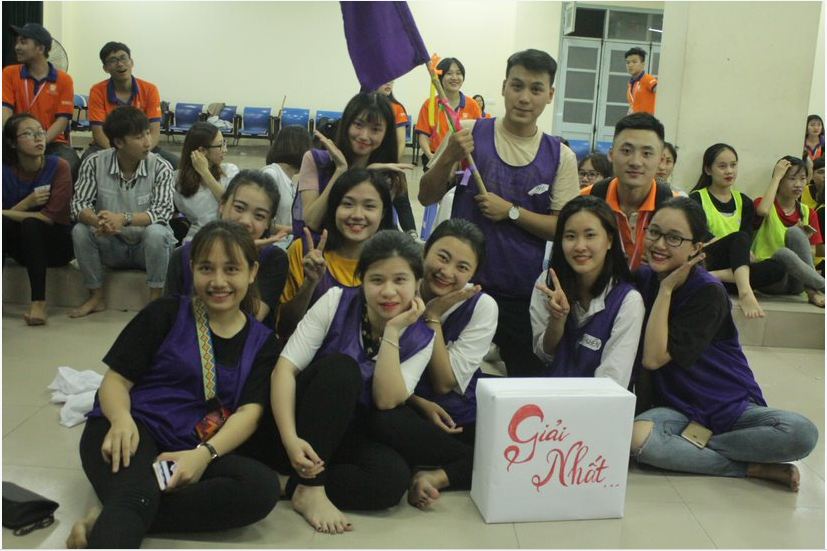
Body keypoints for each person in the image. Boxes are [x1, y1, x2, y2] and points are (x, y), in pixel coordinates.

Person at [66, 220, 281, 549]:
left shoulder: (263, 342)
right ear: (192, 269)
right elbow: (115, 380)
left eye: (231, 269)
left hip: (189, 447)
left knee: (260, 488)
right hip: (132, 431)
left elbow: (249, 413)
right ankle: (128, 506)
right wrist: (121, 420)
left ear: (252, 272)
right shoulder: (166, 312)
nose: (218, 281)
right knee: (137, 493)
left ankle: (113, 514)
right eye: (207, 268)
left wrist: (203, 456)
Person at [244, 230, 435, 533]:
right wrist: (290, 439)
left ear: (417, 283)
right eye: (376, 280)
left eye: (400, 280)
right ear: (361, 280)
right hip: (295, 426)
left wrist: (393, 332)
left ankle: (289, 484)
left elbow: (386, 399)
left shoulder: (423, 337)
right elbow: (284, 370)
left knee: (392, 480)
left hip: (343, 434)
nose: (388, 291)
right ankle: (310, 487)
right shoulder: (336, 301)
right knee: (342, 370)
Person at [630, 197, 818, 491]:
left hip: (730, 407)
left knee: (802, 433)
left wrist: (666, 290)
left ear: (696, 248)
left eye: (674, 238)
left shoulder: (708, 291)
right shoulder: (643, 279)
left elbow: (654, 359)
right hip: (678, 410)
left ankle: (695, 447)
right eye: (654, 232)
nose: (659, 244)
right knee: (638, 439)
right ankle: (749, 467)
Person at [419, 48, 579, 378]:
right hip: (458, 287)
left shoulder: (561, 156)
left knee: (525, 387)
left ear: (549, 95)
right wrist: (448, 156)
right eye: (517, 86)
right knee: (442, 378)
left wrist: (511, 213)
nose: (524, 97)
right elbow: (425, 195)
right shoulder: (467, 133)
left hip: (520, 294)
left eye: (536, 89)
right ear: (504, 87)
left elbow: (563, 228)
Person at [371, 219, 497, 510]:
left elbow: (444, 382)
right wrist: (417, 402)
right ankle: (448, 467)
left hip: (456, 415)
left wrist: (433, 317)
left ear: (474, 274)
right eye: (442, 257)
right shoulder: (399, 289)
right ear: (425, 251)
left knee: (506, 449)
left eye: (462, 267)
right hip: (403, 407)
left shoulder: (482, 306)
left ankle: (437, 475)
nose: (447, 272)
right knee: (382, 420)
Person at [70, 106, 176, 318]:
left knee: (157, 232)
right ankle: (96, 296)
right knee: (80, 230)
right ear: (118, 142)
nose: (147, 142)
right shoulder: (94, 163)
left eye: (147, 133)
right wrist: (98, 222)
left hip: (146, 249)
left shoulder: (161, 167)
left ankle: (155, 300)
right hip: (112, 244)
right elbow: (78, 204)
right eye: (139, 137)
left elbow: (162, 212)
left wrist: (123, 219)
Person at [530, 196, 644, 387]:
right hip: (551, 395)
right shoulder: (547, 283)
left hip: (601, 401)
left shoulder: (628, 301)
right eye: (570, 236)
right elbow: (545, 355)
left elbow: (612, 382)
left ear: (609, 240)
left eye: (590, 235)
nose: (580, 246)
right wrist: (557, 320)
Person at [278, 168, 392, 339]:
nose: (357, 215)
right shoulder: (304, 251)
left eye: (369, 206)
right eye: (348, 204)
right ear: (333, 208)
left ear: (383, 213)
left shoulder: (392, 262)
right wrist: (310, 284)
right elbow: (284, 329)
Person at [165, 170, 289, 326]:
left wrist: (242, 251)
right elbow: (168, 316)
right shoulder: (184, 255)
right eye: (239, 208)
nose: (245, 221)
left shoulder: (274, 259)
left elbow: (251, 318)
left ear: (268, 223)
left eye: (259, 216)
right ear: (222, 205)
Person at [294, 92, 412, 237]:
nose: (364, 136)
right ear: (347, 123)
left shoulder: (386, 174)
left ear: (386, 134)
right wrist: (340, 170)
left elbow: (373, 230)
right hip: (317, 248)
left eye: (375, 129)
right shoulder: (315, 160)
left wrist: (368, 175)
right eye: (358, 125)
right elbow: (312, 221)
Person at [689, 143, 785, 318]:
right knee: (739, 238)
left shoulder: (744, 201)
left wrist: (744, 252)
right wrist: (735, 245)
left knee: (778, 267)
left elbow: (747, 236)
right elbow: (698, 235)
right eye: (722, 166)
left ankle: (712, 277)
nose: (729, 171)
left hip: (735, 268)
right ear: (708, 170)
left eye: (733, 165)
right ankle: (745, 292)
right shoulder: (696, 198)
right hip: (707, 257)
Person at [581, 112, 677, 270]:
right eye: (626, 151)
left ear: (660, 160)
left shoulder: (675, 207)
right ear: (611, 154)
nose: (635, 162)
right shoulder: (585, 200)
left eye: (646, 154)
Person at [2, 113, 74, 325]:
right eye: (28, 133)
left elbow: (49, 218)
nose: (38, 138)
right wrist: (27, 203)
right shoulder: (4, 171)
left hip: (57, 246)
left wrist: (5, 212)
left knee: (32, 224)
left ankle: (38, 303)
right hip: (21, 248)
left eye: (40, 132)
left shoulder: (59, 166)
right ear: (12, 143)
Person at [84, 41, 179, 168]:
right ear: (105, 68)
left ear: (131, 62)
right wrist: (120, 155)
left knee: (178, 164)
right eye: (113, 60)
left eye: (123, 58)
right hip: (107, 146)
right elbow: (98, 133)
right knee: (85, 163)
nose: (120, 64)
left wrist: (142, 152)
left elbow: (154, 131)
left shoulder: (150, 89)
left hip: (142, 146)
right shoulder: (97, 91)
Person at [2, 23, 79, 176]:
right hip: (17, 139)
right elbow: (5, 110)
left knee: (70, 163)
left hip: (51, 141)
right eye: (16, 42)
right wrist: (16, 138)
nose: (17, 47)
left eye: (23, 42)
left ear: (40, 48)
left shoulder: (64, 80)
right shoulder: (9, 73)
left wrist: (40, 141)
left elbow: (62, 121)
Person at [752, 156, 825, 307]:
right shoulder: (764, 204)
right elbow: (762, 211)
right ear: (779, 181)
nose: (798, 184)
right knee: (782, 254)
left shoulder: (809, 212)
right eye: (792, 179)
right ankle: (820, 287)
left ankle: (812, 291)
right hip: (772, 277)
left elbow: (813, 254)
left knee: (796, 233)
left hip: (798, 282)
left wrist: (805, 239)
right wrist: (776, 177)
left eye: (802, 179)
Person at [172, 122, 239, 243]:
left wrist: (205, 172)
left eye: (224, 143)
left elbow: (229, 204)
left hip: (229, 236)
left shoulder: (230, 171)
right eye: (220, 145)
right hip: (197, 239)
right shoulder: (177, 179)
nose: (225, 150)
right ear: (202, 151)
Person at [415, 57, 482, 166]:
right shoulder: (429, 104)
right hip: (435, 158)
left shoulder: (472, 105)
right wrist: (431, 157)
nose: (454, 77)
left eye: (458, 73)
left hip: (464, 160)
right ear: (440, 77)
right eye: (449, 73)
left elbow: (479, 135)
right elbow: (423, 136)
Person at [376, 81, 419, 238]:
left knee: (401, 195)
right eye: (384, 80)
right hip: (367, 164)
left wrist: (391, 164)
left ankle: (411, 234)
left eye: (391, 80)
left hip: (391, 162)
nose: (388, 83)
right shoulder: (362, 106)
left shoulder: (396, 108)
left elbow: (401, 142)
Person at [262, 125, 313, 248]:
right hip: (274, 247)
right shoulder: (271, 174)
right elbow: (263, 222)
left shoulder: (291, 179)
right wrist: (297, 229)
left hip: (287, 245)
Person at [802, 157, 825, 273]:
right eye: (821, 172)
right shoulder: (802, 191)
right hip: (816, 255)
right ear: (812, 175)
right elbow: (819, 250)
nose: (825, 176)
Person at [625, 47, 657, 115]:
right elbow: (632, 107)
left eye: (634, 62)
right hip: (635, 120)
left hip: (648, 120)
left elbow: (663, 95)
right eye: (628, 62)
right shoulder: (630, 84)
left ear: (643, 64)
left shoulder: (648, 79)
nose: (630, 65)